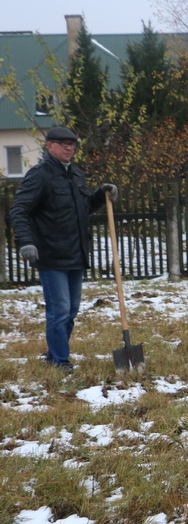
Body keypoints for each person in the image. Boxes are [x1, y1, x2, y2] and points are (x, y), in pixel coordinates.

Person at [9, 127, 119, 372]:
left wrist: (101, 196)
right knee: (59, 311)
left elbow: (84, 208)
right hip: (50, 254)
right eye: (63, 144)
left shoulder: (76, 174)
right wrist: (26, 242)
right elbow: (19, 211)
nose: (69, 148)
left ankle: (53, 354)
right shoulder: (40, 175)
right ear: (50, 146)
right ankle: (60, 361)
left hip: (76, 254)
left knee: (70, 311)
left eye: (72, 144)